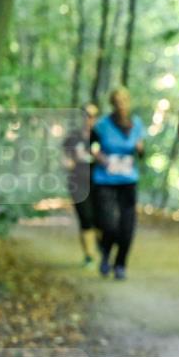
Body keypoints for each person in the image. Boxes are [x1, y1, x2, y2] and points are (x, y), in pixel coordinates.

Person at [92, 88, 146, 281]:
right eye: (117, 100)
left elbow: (141, 151)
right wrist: (97, 155)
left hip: (128, 181)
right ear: (112, 103)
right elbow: (91, 145)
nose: (121, 104)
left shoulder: (137, 124)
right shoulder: (102, 125)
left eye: (124, 100)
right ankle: (105, 253)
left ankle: (120, 264)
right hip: (105, 180)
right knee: (109, 224)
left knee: (127, 227)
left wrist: (140, 149)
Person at [63, 103, 99, 267]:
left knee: (100, 219)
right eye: (86, 115)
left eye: (92, 115)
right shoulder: (73, 137)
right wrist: (70, 162)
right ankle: (89, 256)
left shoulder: (100, 137)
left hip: (99, 183)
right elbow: (65, 159)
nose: (89, 119)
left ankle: (99, 251)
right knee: (86, 218)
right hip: (78, 183)